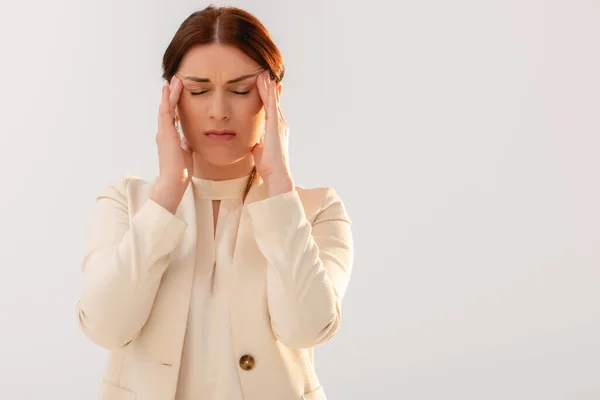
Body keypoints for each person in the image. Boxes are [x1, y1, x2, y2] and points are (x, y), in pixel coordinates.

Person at [76, 5, 354, 400]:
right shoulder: (126, 202)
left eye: (241, 90)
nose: (219, 111)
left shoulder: (316, 210)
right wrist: (168, 192)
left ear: (272, 96)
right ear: (171, 96)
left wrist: (278, 186)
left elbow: (305, 328)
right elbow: (105, 327)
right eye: (199, 90)